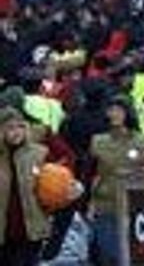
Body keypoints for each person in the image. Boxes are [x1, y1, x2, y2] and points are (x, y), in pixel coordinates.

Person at [0, 106, 79, 266]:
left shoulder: (40, 153)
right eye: (10, 128)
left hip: (31, 231)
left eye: (20, 126)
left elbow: (59, 180)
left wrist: (71, 189)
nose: (16, 132)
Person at [89, 94, 144, 266]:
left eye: (119, 110)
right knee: (109, 255)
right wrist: (89, 204)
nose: (114, 114)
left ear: (128, 112)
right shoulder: (98, 141)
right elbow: (90, 174)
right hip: (105, 206)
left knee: (135, 257)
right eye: (111, 110)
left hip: (137, 208)